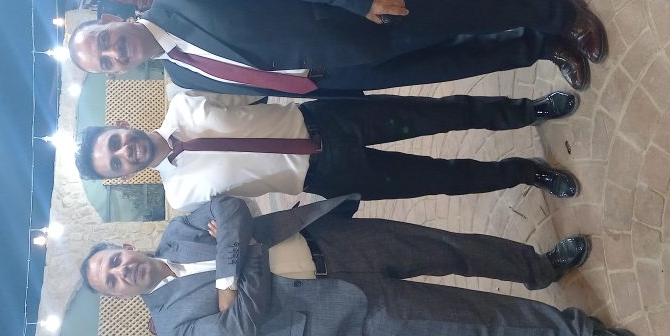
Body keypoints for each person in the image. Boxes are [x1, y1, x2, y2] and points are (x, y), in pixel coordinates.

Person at [80, 195, 646, 336]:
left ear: (124, 248)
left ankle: (540, 268)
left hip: (335, 241)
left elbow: (229, 208)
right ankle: (581, 334)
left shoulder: (178, 230)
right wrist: (243, 250)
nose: (121, 273)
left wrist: (230, 277)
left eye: (113, 262)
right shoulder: (172, 328)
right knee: (466, 321)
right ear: (118, 296)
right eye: (112, 282)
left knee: (452, 248)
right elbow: (241, 330)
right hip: (339, 310)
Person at [67, 0, 605, 97]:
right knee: (453, 61)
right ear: (116, 73)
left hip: (349, 17)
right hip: (342, 75)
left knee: (457, 12)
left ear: (111, 20)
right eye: (107, 62)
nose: (115, 52)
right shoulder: (182, 76)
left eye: (105, 41)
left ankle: (559, 12)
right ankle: (541, 46)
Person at [74, 90, 581, 212]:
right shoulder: (182, 198)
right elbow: (241, 217)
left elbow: (256, 87)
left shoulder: (185, 100)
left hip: (327, 118)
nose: (125, 152)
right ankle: (526, 173)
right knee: (439, 179)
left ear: (121, 125)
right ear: (124, 176)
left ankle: (527, 111)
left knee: (438, 114)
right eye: (116, 163)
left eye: (115, 142)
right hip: (326, 176)